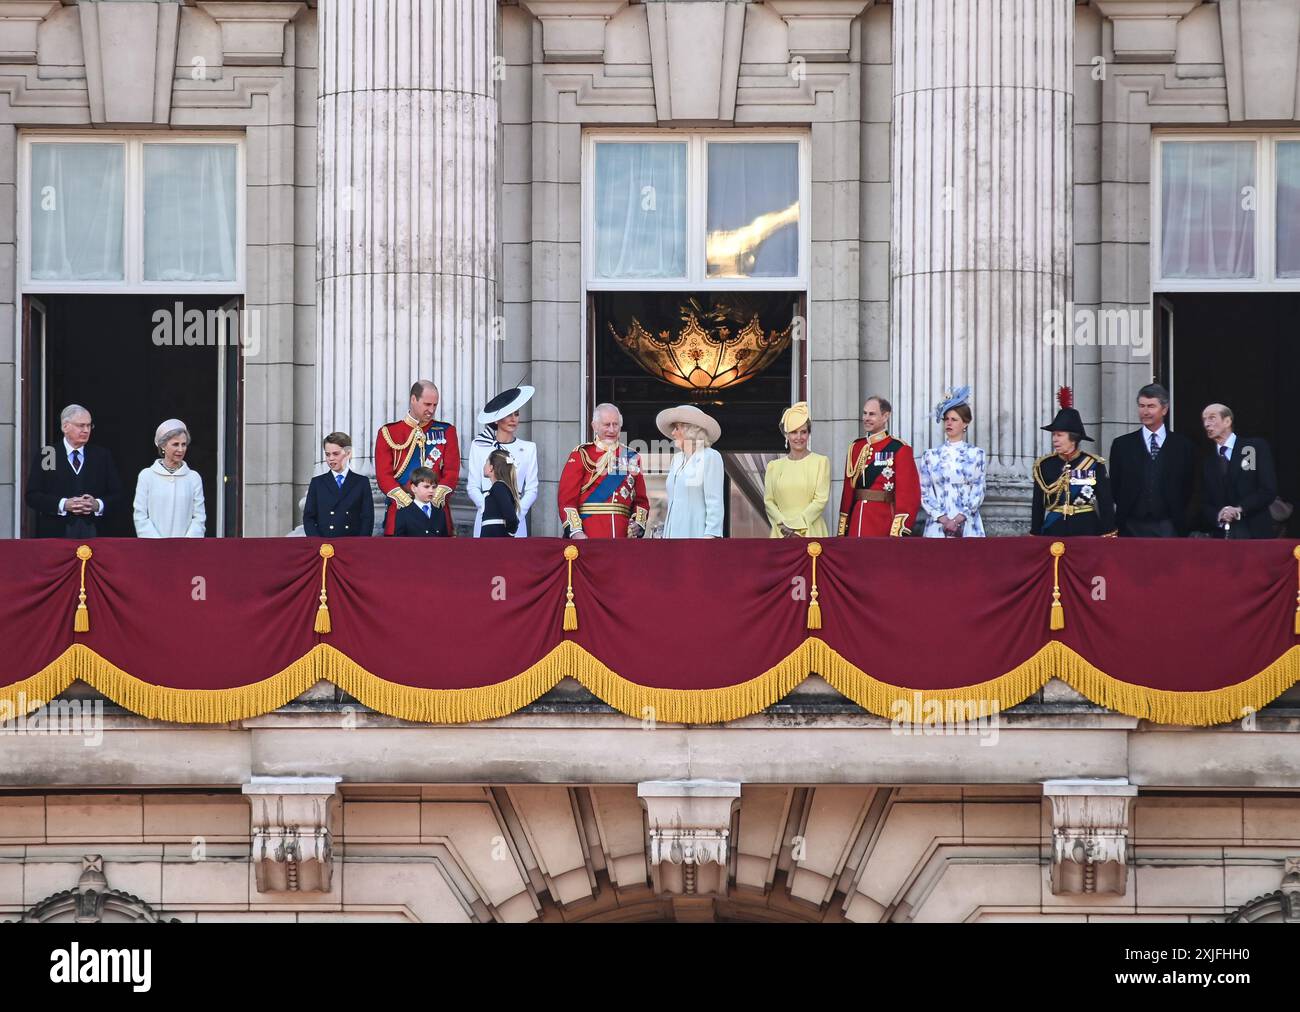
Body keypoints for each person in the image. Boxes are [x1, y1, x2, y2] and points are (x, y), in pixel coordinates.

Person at [1108, 383, 1195, 537]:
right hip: (1130, 526)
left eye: (1151, 406)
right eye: (1141, 406)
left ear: (1164, 409)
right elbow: (1115, 485)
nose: (1145, 411)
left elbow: (1189, 486)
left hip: (1170, 526)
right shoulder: (1122, 445)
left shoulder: (1183, 446)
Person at [375, 380, 460, 536]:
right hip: (401, 513)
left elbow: (452, 472)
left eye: (435, 405)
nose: (431, 410)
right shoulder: (389, 432)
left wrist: (433, 498)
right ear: (413, 399)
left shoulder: (446, 431)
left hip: (436, 515)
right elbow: (383, 475)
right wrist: (408, 503)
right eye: (427, 404)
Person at [26, 403, 123, 539]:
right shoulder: (49, 454)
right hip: (56, 533)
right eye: (81, 425)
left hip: (95, 532)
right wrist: (63, 504)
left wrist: (97, 505)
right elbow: (33, 495)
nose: (86, 430)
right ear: (65, 427)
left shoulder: (101, 456)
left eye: (89, 425)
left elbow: (118, 495)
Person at [1030, 387, 1118, 537]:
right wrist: (1035, 534)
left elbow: (1105, 503)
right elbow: (1038, 505)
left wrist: (1109, 533)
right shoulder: (1044, 465)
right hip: (1054, 529)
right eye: (1054, 435)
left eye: (1059, 435)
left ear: (1073, 438)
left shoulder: (1093, 464)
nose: (1054, 439)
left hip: (1086, 529)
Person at [558, 403, 649, 539]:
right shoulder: (582, 454)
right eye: (607, 425)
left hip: (623, 537)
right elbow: (567, 499)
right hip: (589, 535)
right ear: (595, 426)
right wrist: (576, 532)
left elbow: (641, 501)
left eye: (615, 424)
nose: (612, 430)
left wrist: (638, 524)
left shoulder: (632, 457)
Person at [837, 396, 921, 537]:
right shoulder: (856, 447)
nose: (866, 418)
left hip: (883, 521)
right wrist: (843, 528)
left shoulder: (899, 448)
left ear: (885, 416)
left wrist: (898, 530)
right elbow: (847, 492)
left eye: (872, 414)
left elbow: (908, 494)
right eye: (865, 413)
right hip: (856, 520)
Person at [1200, 402, 1277, 539]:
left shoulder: (1252, 448)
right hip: (1223, 536)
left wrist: (1239, 509)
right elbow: (1205, 502)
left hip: (1254, 532)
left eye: (1211, 418)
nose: (1206, 424)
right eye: (1204, 419)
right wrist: (1219, 514)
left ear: (1227, 421)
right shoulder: (1208, 461)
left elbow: (1267, 490)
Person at [468, 386, 538, 537]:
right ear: (498, 418)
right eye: (509, 414)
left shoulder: (528, 448)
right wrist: (487, 509)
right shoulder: (479, 446)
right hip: (486, 519)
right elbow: (472, 486)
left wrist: (516, 513)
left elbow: (532, 489)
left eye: (517, 414)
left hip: (515, 517)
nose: (513, 419)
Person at [918, 387, 986, 538]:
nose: (949, 423)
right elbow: (925, 492)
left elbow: (978, 490)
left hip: (968, 524)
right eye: (946, 419)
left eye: (954, 419)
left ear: (965, 423)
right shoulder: (930, 456)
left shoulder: (977, 454)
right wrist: (943, 519)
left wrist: (957, 519)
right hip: (937, 526)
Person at [657, 404, 725, 539]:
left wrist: (710, 536)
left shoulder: (710, 456)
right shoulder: (676, 460)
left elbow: (714, 502)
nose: (672, 433)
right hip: (671, 536)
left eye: (676, 428)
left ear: (690, 430)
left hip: (697, 536)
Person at [763, 402, 830, 538]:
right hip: (781, 533)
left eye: (803, 432)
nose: (799, 437)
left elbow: (820, 500)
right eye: (794, 432)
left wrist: (795, 526)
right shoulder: (773, 467)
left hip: (811, 531)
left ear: (809, 434)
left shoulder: (821, 462)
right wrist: (783, 525)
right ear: (786, 435)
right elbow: (769, 502)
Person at [132, 419, 206, 538]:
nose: (181, 450)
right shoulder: (147, 476)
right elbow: (140, 515)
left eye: (184, 444)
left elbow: (199, 517)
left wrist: (187, 543)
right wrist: (158, 544)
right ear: (163, 446)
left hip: (186, 550)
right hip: (153, 548)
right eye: (175, 444)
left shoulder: (193, 478)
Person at [303, 431, 373, 538]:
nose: (331, 459)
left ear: (348, 453)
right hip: (324, 546)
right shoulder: (317, 483)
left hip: (352, 545)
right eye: (327, 454)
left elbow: (367, 518)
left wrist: (361, 544)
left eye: (335, 454)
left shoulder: (361, 482)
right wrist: (318, 543)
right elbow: (309, 518)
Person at [393, 468, 449, 537]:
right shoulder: (403, 513)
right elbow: (399, 543)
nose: (431, 490)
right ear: (413, 488)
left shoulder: (440, 513)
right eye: (426, 487)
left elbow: (445, 542)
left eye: (434, 487)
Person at [480, 449, 521, 538]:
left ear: (491, 467)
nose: (484, 465)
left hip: (495, 542)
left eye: (486, 461)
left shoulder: (499, 487)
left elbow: (511, 517)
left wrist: (509, 534)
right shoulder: (498, 488)